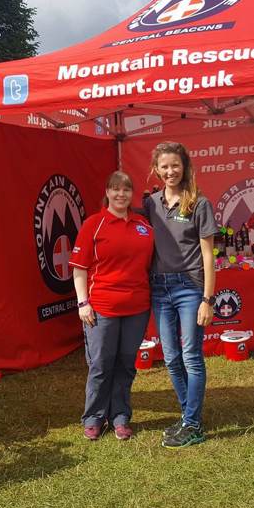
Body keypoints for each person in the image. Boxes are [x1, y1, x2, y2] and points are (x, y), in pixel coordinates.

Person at [71, 171, 154, 441]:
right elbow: (79, 269)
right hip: (101, 308)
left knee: (126, 365)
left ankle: (120, 416)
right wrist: (83, 302)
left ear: (132, 194)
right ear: (107, 192)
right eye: (116, 189)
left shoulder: (144, 226)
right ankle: (94, 417)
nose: (121, 194)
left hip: (137, 308)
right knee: (101, 365)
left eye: (126, 190)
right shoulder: (93, 225)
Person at [143, 142, 217, 448]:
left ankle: (192, 424)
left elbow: (209, 256)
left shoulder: (199, 203)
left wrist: (207, 300)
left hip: (190, 288)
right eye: (164, 167)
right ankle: (190, 416)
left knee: (191, 357)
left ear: (184, 166)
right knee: (171, 358)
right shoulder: (150, 203)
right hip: (160, 288)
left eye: (175, 165)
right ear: (156, 170)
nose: (170, 171)